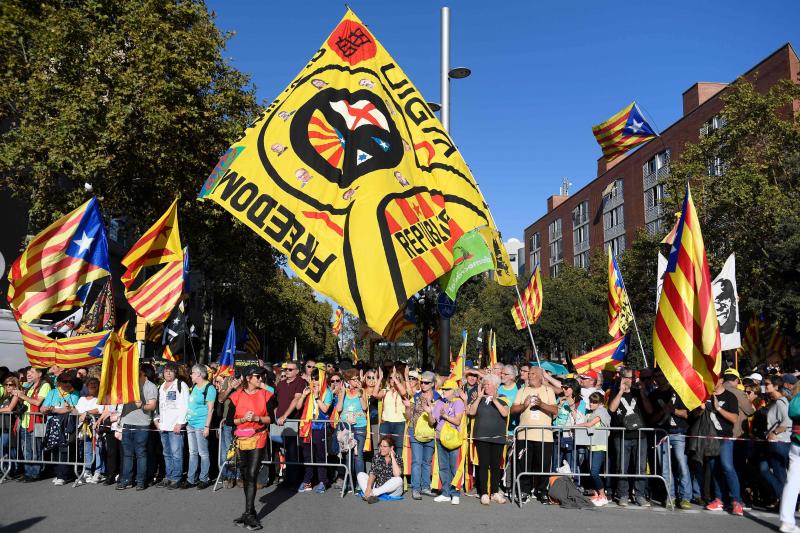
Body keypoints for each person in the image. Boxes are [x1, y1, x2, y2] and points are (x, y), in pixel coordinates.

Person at [230, 366, 272, 531]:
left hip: (258, 437)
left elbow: (271, 419)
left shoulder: (266, 394)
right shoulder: (236, 396)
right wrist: (242, 420)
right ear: (248, 378)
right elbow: (228, 421)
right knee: (245, 474)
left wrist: (257, 418)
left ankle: (248, 513)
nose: (261, 379)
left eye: (262, 376)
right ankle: (250, 511)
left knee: (253, 473)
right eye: (257, 376)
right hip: (241, 438)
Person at [511, 365, 557, 503]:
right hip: (524, 435)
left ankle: (542, 491)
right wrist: (524, 406)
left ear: (540, 376)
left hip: (544, 436)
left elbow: (555, 410)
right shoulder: (522, 390)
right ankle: (524, 490)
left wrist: (542, 404)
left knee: (543, 465)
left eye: (533, 374)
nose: (530, 376)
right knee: (524, 464)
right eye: (529, 374)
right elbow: (513, 409)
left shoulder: (548, 390)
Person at [647, 369, 692, 509]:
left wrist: (672, 410)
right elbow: (651, 418)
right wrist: (662, 411)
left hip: (678, 433)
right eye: (656, 376)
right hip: (662, 434)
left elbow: (687, 414)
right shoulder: (654, 395)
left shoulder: (678, 392)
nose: (658, 378)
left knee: (682, 465)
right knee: (665, 468)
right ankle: (670, 495)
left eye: (661, 375)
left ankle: (685, 497)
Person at [609, 368, 652, 507]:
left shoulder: (639, 392)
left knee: (640, 467)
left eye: (633, 377)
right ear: (622, 378)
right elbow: (612, 409)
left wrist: (642, 392)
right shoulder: (615, 392)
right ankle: (623, 495)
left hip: (640, 435)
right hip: (621, 436)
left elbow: (649, 410)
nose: (631, 380)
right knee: (622, 466)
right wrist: (621, 391)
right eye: (628, 377)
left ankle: (639, 495)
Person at [467, 374, 510, 505]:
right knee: (484, 465)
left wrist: (495, 400)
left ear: (496, 386)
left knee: (496, 466)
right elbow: (471, 412)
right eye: (484, 384)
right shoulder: (479, 399)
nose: (486, 386)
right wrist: (479, 398)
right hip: (482, 437)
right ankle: (484, 493)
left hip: (498, 438)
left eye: (488, 384)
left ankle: (495, 492)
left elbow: (505, 413)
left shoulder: (503, 399)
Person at [704, 375, 744, 516]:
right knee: (715, 469)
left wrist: (718, 408)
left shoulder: (730, 396)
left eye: (713, 379)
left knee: (727, 467)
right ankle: (719, 499)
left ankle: (737, 501)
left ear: (721, 381)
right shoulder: (706, 395)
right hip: (710, 438)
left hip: (725, 437)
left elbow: (734, 418)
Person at [117, 364, 158, 491]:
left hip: (142, 424)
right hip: (127, 422)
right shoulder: (129, 384)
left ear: (144, 372)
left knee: (141, 453)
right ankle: (126, 480)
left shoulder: (150, 386)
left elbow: (152, 406)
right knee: (128, 454)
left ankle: (141, 481)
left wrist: (142, 406)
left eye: (138, 370)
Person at [295, 366, 332, 493]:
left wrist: (317, 397)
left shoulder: (327, 392)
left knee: (320, 456)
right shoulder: (308, 390)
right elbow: (298, 406)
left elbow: (325, 409)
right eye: (313, 379)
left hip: (320, 428)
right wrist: (303, 396)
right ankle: (307, 481)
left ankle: (323, 481)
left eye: (317, 379)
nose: (315, 382)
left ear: (322, 379)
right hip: (307, 428)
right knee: (307, 456)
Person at [153, 362, 188, 489]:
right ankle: (168, 476)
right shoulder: (161, 387)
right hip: (163, 425)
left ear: (175, 373)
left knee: (176, 453)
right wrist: (156, 420)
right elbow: (158, 406)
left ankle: (176, 478)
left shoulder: (181, 385)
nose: (168, 373)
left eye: (171, 371)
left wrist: (180, 423)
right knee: (167, 453)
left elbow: (185, 405)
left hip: (175, 426)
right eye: (166, 371)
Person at [430, 378, 465, 504]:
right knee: (443, 467)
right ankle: (445, 493)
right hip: (440, 438)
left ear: (453, 391)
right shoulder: (439, 402)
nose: (444, 391)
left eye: (447, 389)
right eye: (443, 389)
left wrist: (444, 415)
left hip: (452, 440)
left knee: (453, 467)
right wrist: (429, 411)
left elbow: (457, 421)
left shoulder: (458, 403)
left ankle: (455, 493)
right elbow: (432, 421)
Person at [13, 367, 51, 482]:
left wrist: (23, 396)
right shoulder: (29, 385)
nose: (29, 374)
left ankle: (35, 473)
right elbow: (26, 402)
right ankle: (28, 472)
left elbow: (38, 402)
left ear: (39, 374)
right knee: (27, 450)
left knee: (36, 449)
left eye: (32, 372)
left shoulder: (45, 385)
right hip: (25, 421)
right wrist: (18, 396)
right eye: (28, 372)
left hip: (37, 422)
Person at [406, 370, 439, 500]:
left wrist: (430, 411)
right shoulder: (415, 396)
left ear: (432, 384)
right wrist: (408, 408)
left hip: (430, 432)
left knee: (427, 462)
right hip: (414, 431)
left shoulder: (438, 398)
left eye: (426, 382)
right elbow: (408, 417)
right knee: (417, 461)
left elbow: (433, 421)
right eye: (422, 382)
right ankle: (416, 488)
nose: (423, 384)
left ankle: (425, 487)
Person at [760, 374, 791, 507]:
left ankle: (786, 502)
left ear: (776, 386)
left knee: (780, 474)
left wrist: (774, 432)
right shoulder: (775, 402)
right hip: (774, 443)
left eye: (767, 384)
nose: (765, 386)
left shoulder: (781, 402)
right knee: (763, 468)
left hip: (779, 442)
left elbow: (787, 422)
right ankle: (784, 498)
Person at [274, 360, 306, 490]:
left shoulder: (300, 382)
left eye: (290, 369)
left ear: (297, 371)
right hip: (278, 421)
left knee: (291, 451)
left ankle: (292, 479)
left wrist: (285, 416)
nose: (287, 371)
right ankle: (280, 475)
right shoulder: (280, 384)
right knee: (278, 448)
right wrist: (276, 413)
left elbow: (296, 399)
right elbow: (275, 400)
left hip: (291, 421)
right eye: (286, 369)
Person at [575, 392, 611, 506]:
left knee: (594, 471)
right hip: (591, 445)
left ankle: (603, 495)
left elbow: (590, 424)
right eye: (590, 401)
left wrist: (575, 426)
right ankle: (597, 494)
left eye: (594, 402)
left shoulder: (601, 411)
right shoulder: (592, 412)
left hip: (599, 446)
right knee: (592, 471)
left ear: (600, 403)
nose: (591, 403)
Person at [184, 364, 216, 489]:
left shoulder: (209, 388)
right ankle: (191, 479)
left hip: (201, 424)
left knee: (203, 453)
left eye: (192, 373)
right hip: (191, 424)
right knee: (192, 452)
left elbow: (211, 409)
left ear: (198, 374)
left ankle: (204, 478)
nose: (190, 375)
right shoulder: (194, 386)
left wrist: (207, 426)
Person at [336, 369, 368, 478]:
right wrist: (342, 394)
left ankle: (360, 482)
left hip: (359, 426)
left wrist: (359, 393)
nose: (356, 381)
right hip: (346, 427)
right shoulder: (343, 392)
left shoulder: (362, 390)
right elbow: (339, 408)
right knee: (348, 454)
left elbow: (364, 407)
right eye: (353, 379)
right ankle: (349, 481)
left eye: (357, 379)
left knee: (358, 455)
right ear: (348, 381)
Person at [74, 377, 103, 484]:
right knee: (87, 450)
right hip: (84, 429)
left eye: (95, 383)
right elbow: (77, 411)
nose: (92, 385)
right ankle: (87, 471)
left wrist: (86, 412)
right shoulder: (81, 399)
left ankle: (98, 471)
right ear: (86, 386)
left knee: (98, 449)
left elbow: (99, 409)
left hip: (95, 427)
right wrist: (69, 408)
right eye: (90, 383)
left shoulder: (100, 398)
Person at [358, 435, 403, 503]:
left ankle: (371, 494)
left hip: (392, 491)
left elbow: (397, 474)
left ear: (391, 448)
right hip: (378, 486)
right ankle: (369, 494)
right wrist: (368, 487)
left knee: (399, 480)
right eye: (380, 446)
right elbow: (372, 474)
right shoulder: (377, 457)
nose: (382, 448)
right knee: (360, 474)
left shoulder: (398, 458)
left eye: (384, 446)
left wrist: (393, 458)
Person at [217, 373, 244, 488]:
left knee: (240, 450)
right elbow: (221, 399)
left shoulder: (249, 379)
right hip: (227, 421)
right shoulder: (228, 379)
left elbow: (246, 397)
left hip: (242, 421)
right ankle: (228, 475)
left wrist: (238, 387)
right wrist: (229, 387)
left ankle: (239, 476)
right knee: (227, 451)